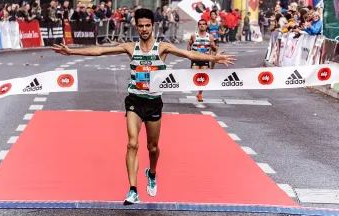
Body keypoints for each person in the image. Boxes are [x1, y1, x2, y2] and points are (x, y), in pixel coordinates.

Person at [51, 7, 235, 205]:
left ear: (153, 26)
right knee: (132, 143)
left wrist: (214, 58)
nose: (145, 29)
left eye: (148, 25)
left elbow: (190, 55)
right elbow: (101, 50)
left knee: (153, 147)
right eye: (141, 26)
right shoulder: (131, 47)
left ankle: (152, 173)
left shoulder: (163, 47)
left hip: (154, 103)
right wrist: (71, 52)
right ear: (136, 27)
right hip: (135, 101)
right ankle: (133, 190)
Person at [188, 18, 218, 102]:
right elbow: (189, 45)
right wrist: (189, 54)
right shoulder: (194, 36)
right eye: (200, 24)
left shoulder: (210, 36)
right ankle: (196, 90)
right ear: (198, 26)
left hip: (205, 59)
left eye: (203, 24)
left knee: (202, 77)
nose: (202, 25)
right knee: (194, 75)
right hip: (195, 58)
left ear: (206, 26)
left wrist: (213, 47)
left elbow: (215, 49)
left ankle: (200, 94)